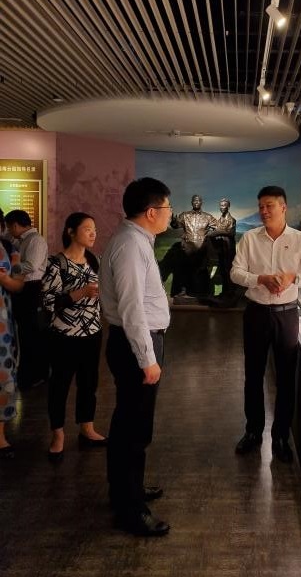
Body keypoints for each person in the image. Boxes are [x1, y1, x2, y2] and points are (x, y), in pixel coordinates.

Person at [99, 177, 171, 537]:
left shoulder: (137, 240)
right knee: (134, 430)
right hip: (134, 345)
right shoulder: (130, 245)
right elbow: (132, 309)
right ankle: (131, 510)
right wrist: (147, 358)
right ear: (151, 211)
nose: (170, 214)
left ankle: (127, 491)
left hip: (135, 342)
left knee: (128, 423)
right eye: (168, 207)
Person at [231, 186, 301, 463]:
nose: (263, 211)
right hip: (256, 314)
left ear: (283, 207)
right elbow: (235, 273)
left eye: (269, 205)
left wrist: (294, 278)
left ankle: (281, 436)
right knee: (253, 376)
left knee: (285, 378)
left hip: (286, 315)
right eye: (260, 206)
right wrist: (260, 279)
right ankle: (253, 431)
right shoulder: (249, 239)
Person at [42, 213, 106, 462]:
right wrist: (81, 293)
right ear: (71, 231)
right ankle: (58, 435)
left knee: (89, 383)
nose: (93, 233)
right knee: (60, 385)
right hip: (64, 335)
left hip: (92, 332)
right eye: (87, 228)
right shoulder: (56, 263)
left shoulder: (95, 260)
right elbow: (49, 302)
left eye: (94, 229)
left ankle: (87, 427)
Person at [4, 209, 49, 390]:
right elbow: (7, 237)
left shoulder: (36, 240)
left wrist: (10, 269)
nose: (8, 231)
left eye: (9, 227)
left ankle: (37, 375)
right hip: (25, 289)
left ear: (15, 225)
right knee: (25, 333)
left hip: (32, 289)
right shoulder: (21, 239)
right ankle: (28, 374)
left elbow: (31, 265)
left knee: (32, 333)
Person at [0, 237, 24, 458]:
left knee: (3, 379)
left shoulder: (10, 248)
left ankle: (0, 437)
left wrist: (5, 280)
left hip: (2, 331)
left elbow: (19, 283)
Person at [167, 194, 218, 297]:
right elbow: (175, 225)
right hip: (187, 248)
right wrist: (173, 221)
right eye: (194, 201)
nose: (196, 202)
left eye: (198, 201)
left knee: (201, 272)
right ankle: (184, 290)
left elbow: (217, 227)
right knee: (185, 270)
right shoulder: (185, 215)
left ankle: (202, 292)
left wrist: (209, 236)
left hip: (201, 248)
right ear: (191, 202)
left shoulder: (208, 217)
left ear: (201, 202)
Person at [207, 198, 236, 297]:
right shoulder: (219, 220)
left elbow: (230, 232)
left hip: (228, 250)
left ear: (228, 206)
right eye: (221, 205)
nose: (222, 207)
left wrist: (216, 232)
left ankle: (230, 293)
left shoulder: (231, 220)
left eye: (224, 205)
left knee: (228, 271)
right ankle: (224, 292)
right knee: (222, 271)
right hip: (221, 249)